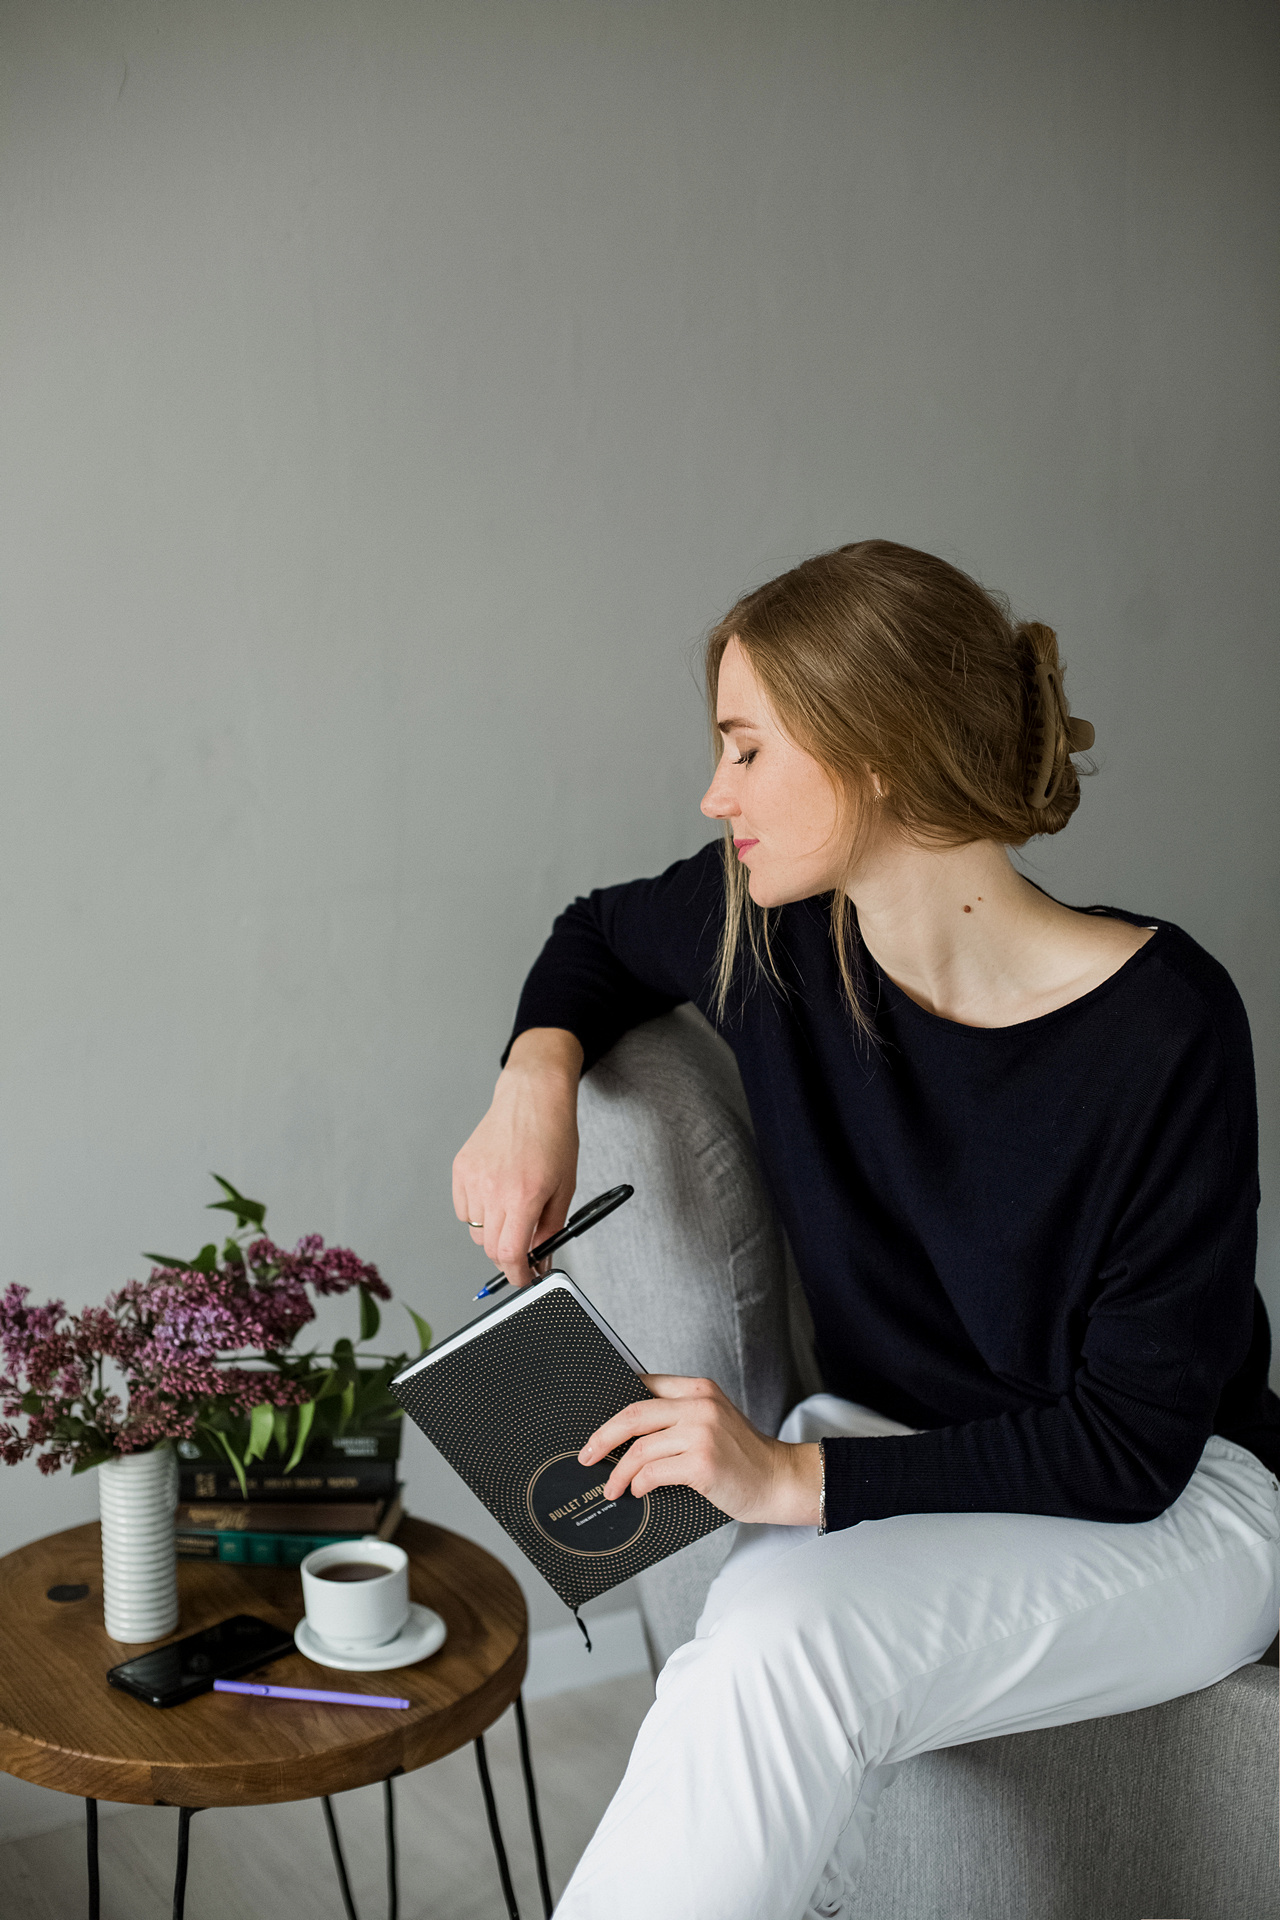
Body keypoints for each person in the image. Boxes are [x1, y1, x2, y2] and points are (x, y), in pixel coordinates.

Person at [453, 540, 1280, 1920]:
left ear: (875, 752)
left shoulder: (1166, 1027)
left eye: (746, 750)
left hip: (1186, 1505)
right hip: (896, 1457)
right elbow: (594, 936)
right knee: (768, 1637)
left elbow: (1131, 1447)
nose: (715, 795)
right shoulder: (773, 943)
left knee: (782, 1640)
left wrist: (787, 1483)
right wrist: (531, 1080)